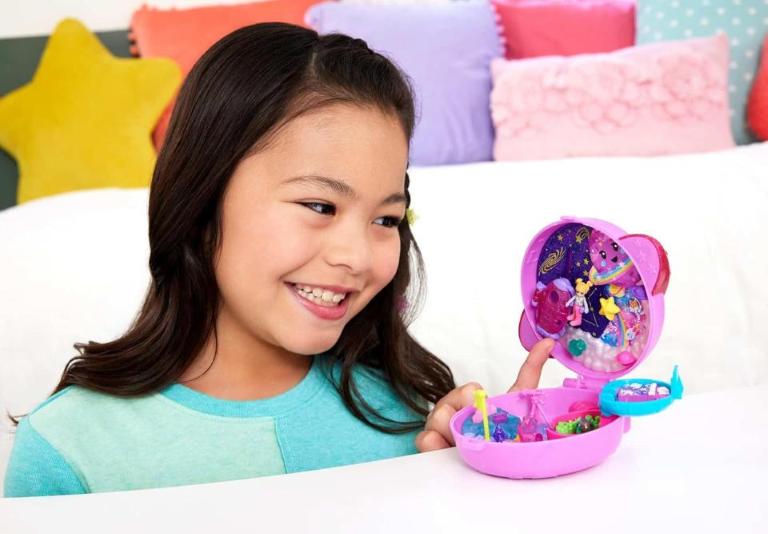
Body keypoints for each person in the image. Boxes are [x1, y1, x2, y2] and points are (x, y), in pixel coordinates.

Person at [3, 22, 553, 497]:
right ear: (203, 199)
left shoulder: (410, 417)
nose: (356, 257)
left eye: (386, 219)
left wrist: (490, 479)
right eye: (319, 206)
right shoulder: (68, 451)